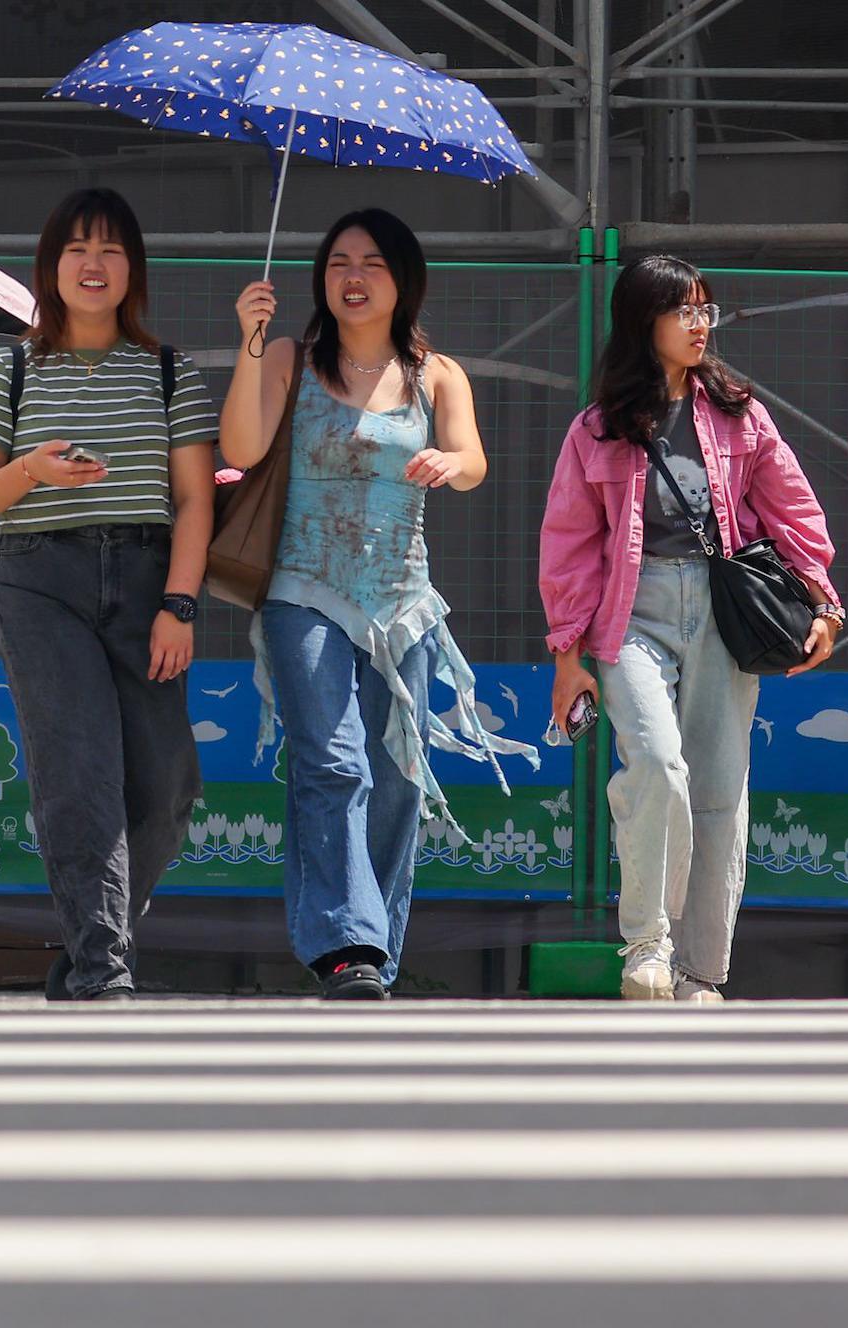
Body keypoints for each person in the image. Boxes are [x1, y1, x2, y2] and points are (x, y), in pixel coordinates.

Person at [221, 208, 534, 1001]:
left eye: (372, 264)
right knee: (331, 764)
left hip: (402, 608)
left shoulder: (438, 374)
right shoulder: (291, 356)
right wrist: (251, 342)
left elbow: (473, 464)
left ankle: (373, 957)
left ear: (403, 281)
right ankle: (343, 946)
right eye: (337, 264)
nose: (352, 278)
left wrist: (446, 457)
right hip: (302, 593)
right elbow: (241, 449)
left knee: (395, 777)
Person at [540, 254, 842, 1002]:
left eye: (707, 309)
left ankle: (700, 973)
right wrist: (567, 653)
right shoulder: (598, 428)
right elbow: (570, 545)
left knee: (717, 789)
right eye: (685, 311)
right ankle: (647, 941)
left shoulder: (741, 411)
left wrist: (824, 603)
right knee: (658, 766)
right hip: (628, 614)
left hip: (719, 614)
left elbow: (795, 510)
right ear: (645, 322)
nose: (701, 324)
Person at [0, 187, 214, 1002]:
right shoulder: (12, 366)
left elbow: (197, 501)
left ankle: (90, 947)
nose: (93, 264)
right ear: (50, 265)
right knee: (80, 774)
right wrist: (31, 469)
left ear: (133, 268)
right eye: (76, 248)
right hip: (39, 578)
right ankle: (105, 968)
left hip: (145, 581)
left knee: (169, 787)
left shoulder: (172, 370)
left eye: (110, 249)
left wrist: (179, 606)